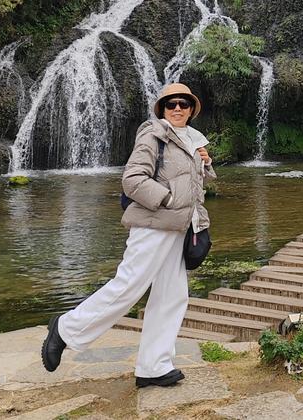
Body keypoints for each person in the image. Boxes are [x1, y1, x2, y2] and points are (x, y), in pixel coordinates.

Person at [41, 82, 216, 388]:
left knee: (172, 296)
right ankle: (66, 329)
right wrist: (168, 199)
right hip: (152, 225)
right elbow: (132, 179)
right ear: (161, 109)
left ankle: (154, 366)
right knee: (129, 285)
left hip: (178, 228)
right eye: (171, 104)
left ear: (191, 110)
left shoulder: (189, 140)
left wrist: (205, 163)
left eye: (183, 104)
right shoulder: (154, 134)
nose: (177, 109)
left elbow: (192, 184)